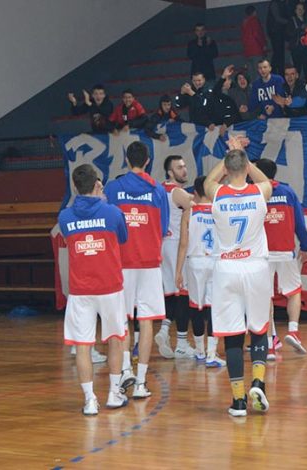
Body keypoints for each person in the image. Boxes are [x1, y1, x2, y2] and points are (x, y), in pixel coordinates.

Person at [204, 136, 273, 417]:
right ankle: (258, 382)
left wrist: (230, 156)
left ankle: (239, 401)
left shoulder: (217, 193)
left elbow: (210, 180)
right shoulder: (260, 191)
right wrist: (243, 154)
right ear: (246, 168)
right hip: (255, 267)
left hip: (227, 270)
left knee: (232, 335)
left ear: (226, 169)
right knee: (259, 329)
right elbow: (264, 179)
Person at [59, 164, 130, 415]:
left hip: (81, 290)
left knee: (83, 345)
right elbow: (123, 238)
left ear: (75, 186)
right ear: (97, 184)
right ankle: (114, 393)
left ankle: (90, 400)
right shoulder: (113, 212)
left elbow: (68, 239)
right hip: (110, 287)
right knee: (115, 339)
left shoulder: (65, 217)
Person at [104, 142, 169, 400]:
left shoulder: (113, 188)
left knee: (122, 319)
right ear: (148, 160)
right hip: (149, 263)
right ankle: (141, 382)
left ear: (126, 159)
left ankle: (125, 371)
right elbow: (163, 227)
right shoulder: (158, 190)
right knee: (146, 321)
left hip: (121, 262)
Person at [254, 158, 307, 358]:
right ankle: (293, 331)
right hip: (286, 251)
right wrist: (305, 245)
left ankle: (270, 342)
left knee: (265, 296)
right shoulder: (288, 192)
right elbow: (299, 223)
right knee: (294, 291)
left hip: (262, 253)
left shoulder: (255, 193)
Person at [174, 176, 227, 368]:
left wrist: (178, 271)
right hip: (215, 262)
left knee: (196, 306)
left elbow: (183, 244)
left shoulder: (189, 212)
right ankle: (212, 353)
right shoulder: (220, 210)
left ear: (195, 192)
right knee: (213, 307)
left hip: (194, 262)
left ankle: (199, 350)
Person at [154, 155, 196, 359]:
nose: (184, 170)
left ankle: (164, 330)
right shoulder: (177, 192)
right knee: (182, 294)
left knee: (171, 292)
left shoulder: (159, 190)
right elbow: (199, 206)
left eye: (184, 166)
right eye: (179, 167)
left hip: (163, 244)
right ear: (170, 172)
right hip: (178, 245)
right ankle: (181, 343)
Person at [241, 5, 267, 76]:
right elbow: (257, 34)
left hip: (247, 51)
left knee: (251, 73)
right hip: (257, 49)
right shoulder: (255, 20)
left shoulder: (244, 22)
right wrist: (263, 45)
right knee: (259, 72)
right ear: (254, 12)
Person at [267, 0, 290, 74]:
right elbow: (278, 18)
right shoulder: (275, 4)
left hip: (277, 32)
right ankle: (276, 70)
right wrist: (290, 21)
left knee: (278, 53)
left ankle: (276, 70)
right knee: (278, 53)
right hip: (276, 32)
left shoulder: (276, 3)